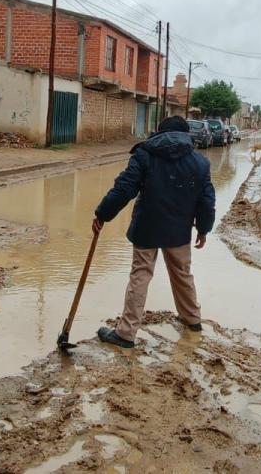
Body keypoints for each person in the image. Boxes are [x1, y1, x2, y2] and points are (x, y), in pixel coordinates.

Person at [93, 115, 217, 348]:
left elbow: (124, 188)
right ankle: (192, 319)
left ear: (159, 133)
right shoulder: (199, 162)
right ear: (186, 135)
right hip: (179, 231)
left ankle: (126, 333)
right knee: (182, 274)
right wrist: (203, 228)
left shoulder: (145, 154)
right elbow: (207, 200)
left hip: (147, 228)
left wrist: (103, 214)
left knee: (140, 276)